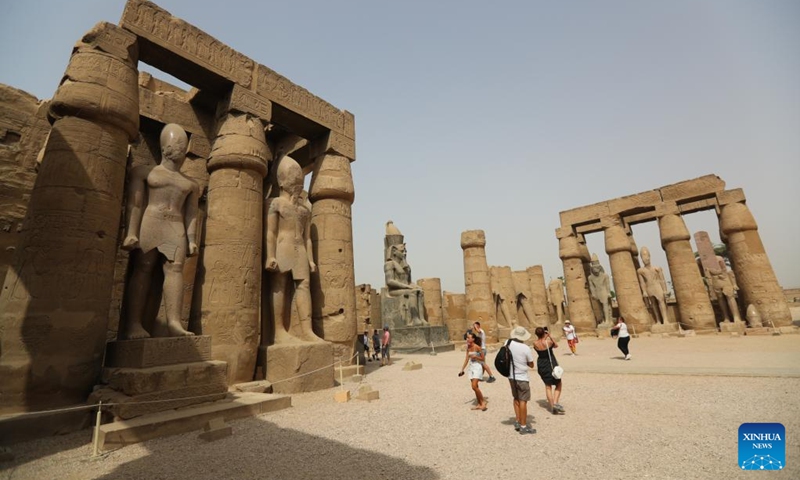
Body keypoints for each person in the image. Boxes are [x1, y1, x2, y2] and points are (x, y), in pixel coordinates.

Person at [121, 123, 199, 340]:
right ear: (164, 146)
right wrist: (131, 231)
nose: (179, 148)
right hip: (151, 221)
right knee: (143, 268)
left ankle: (174, 322)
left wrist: (192, 239)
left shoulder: (190, 184)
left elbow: (192, 215)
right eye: (176, 143)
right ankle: (134, 324)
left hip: (175, 226)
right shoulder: (145, 172)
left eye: (183, 144)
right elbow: (135, 204)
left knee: (175, 270)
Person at [265, 156, 323, 344]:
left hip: (300, 250)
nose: (297, 181)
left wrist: (311, 259)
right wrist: (270, 256)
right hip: (283, 248)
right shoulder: (276, 203)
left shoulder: (304, 210)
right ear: (282, 182)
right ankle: (279, 331)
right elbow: (271, 232)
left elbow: (307, 239)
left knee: (304, 286)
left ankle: (307, 330)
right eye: (293, 177)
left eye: (299, 178)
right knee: (280, 286)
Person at [507, 326, 536, 435]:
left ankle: (518, 420)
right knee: (523, 400)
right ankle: (523, 426)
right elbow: (531, 364)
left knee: (516, 398)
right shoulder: (525, 348)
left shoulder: (508, 343)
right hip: (522, 377)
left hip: (511, 375)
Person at [533, 327, 564, 415]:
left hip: (541, 364)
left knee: (548, 386)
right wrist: (549, 336)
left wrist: (544, 337)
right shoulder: (549, 342)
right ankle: (555, 402)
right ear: (544, 333)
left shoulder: (535, 343)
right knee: (558, 384)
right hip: (550, 364)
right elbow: (556, 345)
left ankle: (552, 406)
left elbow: (540, 346)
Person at [459, 332, 488, 411]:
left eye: (469, 338)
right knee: (475, 387)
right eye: (467, 338)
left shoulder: (477, 347)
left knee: (474, 386)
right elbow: (466, 359)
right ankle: (479, 403)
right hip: (471, 368)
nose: (467, 339)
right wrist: (462, 369)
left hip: (477, 367)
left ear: (473, 339)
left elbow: (483, 359)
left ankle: (483, 403)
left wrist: (476, 357)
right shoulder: (468, 347)